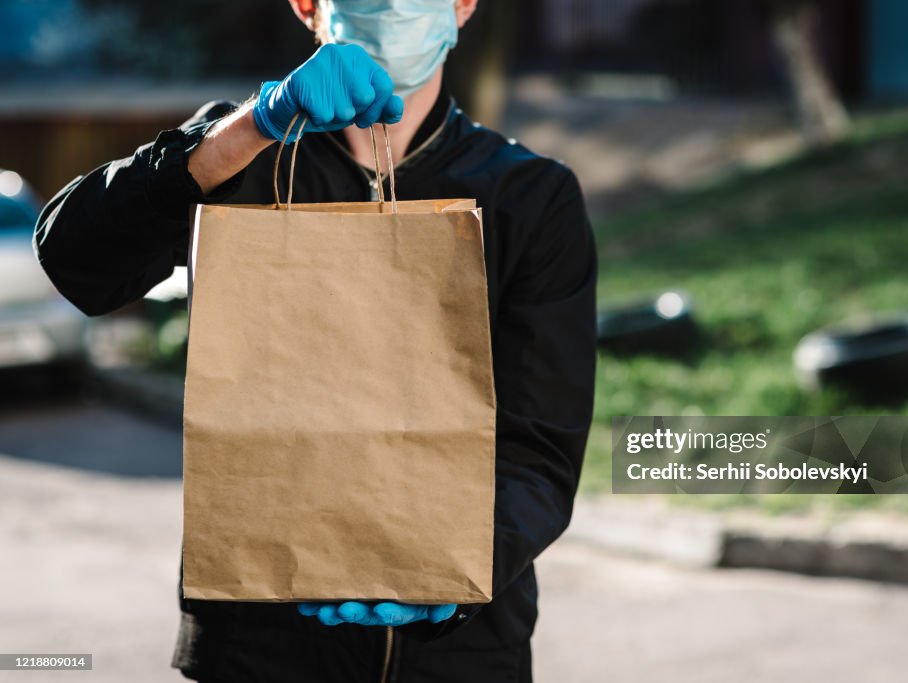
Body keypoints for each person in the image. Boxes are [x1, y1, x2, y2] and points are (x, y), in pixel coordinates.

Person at [34, 1, 596, 681]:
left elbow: (540, 445)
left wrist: (455, 576)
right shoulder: (238, 160)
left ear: (463, 7)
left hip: (461, 657)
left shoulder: (529, 197)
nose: (392, 9)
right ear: (309, 7)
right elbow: (75, 260)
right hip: (259, 644)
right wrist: (255, 125)